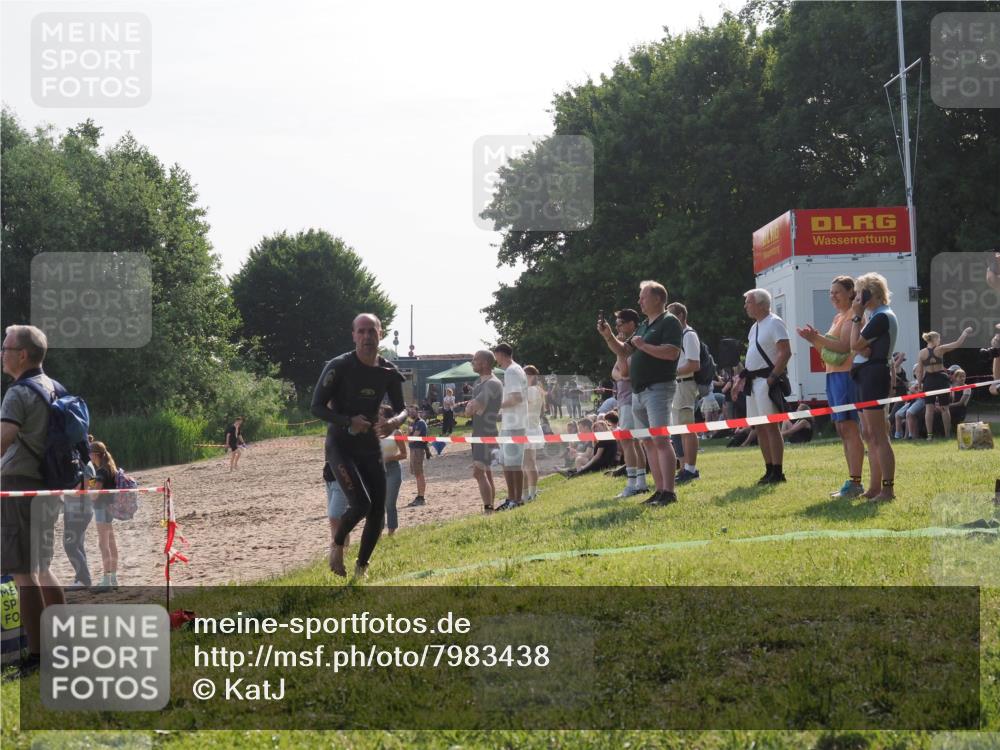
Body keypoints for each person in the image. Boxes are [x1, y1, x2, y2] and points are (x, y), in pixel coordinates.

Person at [311, 313, 407, 578]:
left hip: (369, 446)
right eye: (361, 332)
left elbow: (403, 409)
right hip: (340, 445)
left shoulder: (387, 370)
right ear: (353, 335)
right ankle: (337, 544)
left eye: (371, 331)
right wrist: (347, 420)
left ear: (380, 334)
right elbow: (316, 407)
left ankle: (361, 568)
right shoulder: (338, 366)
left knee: (378, 509)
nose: (366, 337)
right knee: (360, 504)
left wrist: (394, 423)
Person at [0, 325, 67, 676]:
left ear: (22, 354)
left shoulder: (17, 393)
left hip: (18, 483)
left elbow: (4, 440)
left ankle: (39, 657)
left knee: (22, 573)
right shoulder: (53, 387)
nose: (2, 353)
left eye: (5, 347)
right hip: (48, 485)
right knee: (42, 567)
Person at [599, 280, 683, 506]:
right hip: (639, 392)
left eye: (643, 297)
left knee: (661, 440)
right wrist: (608, 336)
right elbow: (624, 350)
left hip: (658, 388)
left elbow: (672, 353)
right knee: (647, 441)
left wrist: (644, 346)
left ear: (657, 299)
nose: (639, 301)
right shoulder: (645, 325)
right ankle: (659, 490)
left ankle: (669, 492)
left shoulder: (669, 322)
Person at [796, 275, 866, 499]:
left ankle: (856, 482)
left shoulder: (853, 316)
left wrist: (817, 338)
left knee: (849, 428)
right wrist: (813, 340)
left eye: (837, 292)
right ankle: (852, 481)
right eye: (830, 292)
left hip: (846, 376)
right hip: (834, 376)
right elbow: (827, 353)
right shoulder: (838, 317)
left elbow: (844, 347)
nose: (832, 296)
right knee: (841, 429)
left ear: (850, 293)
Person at [732, 288, 792, 485]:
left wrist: (772, 378)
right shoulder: (755, 327)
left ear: (761, 304)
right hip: (753, 382)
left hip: (766, 381)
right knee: (760, 427)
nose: (745, 306)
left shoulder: (774, 322)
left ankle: (778, 471)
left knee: (771, 427)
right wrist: (739, 380)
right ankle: (768, 469)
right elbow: (752, 361)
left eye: (749, 302)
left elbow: (785, 352)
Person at [849, 272, 898, 501]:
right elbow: (859, 348)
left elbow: (854, 343)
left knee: (878, 435)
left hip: (874, 375)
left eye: (860, 293)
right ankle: (874, 487)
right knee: (868, 434)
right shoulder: (875, 316)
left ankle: (887, 489)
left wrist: (856, 317)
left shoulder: (880, 317)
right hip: (864, 374)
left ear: (871, 294)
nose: (856, 298)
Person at [598, 308, 649, 497]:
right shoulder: (627, 344)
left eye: (619, 324)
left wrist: (618, 349)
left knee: (629, 442)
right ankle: (639, 482)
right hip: (626, 398)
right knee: (633, 442)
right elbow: (615, 372)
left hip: (630, 398)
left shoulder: (633, 344)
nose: (617, 328)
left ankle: (634, 483)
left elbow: (624, 372)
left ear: (631, 324)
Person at [666, 302, 703, 484]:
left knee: (688, 428)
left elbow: (694, 364)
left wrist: (672, 372)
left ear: (680, 316)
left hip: (685, 385)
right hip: (678, 385)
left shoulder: (689, 335)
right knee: (680, 429)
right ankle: (684, 467)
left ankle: (691, 468)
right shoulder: (679, 335)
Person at [915, 328, 972, 441]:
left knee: (929, 409)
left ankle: (929, 436)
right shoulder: (940, 349)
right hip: (941, 380)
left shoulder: (921, 353)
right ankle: (947, 435)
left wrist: (920, 384)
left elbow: (919, 371)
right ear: (935, 339)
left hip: (929, 381)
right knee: (944, 408)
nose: (940, 341)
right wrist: (964, 333)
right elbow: (957, 343)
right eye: (939, 339)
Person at [465, 350, 504, 513]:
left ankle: (488, 509)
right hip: (478, 433)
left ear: (485, 363)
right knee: (486, 473)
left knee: (478, 473)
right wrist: (471, 408)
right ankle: (490, 508)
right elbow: (471, 410)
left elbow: (474, 408)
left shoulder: (492, 383)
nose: (472, 362)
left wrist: (471, 408)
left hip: (486, 434)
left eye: (475, 360)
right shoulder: (479, 383)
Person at [492, 343, 528, 511]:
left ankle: (516, 499)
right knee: (508, 463)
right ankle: (512, 498)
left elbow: (516, 398)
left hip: (514, 424)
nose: (495, 359)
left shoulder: (512, 371)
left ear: (501, 354)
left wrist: (495, 405)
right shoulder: (515, 369)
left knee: (513, 464)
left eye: (496, 355)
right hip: (512, 422)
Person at [63, 442, 96, 591]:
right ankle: (81, 577)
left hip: (79, 510)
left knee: (70, 545)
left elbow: (88, 485)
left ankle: (84, 578)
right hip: (78, 509)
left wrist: (76, 487)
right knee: (78, 545)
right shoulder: (86, 463)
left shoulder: (84, 464)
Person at [88, 441, 121, 591]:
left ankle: (106, 579)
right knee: (111, 543)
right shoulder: (109, 468)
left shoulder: (101, 471)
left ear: (95, 454)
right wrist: (91, 481)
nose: (89, 456)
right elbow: (97, 484)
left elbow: (95, 494)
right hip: (109, 509)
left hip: (101, 508)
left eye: (90, 453)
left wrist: (88, 490)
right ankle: (113, 578)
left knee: (103, 544)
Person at [379, 405, 407, 536]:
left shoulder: (397, 433)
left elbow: (404, 454)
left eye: (381, 414)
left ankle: (391, 531)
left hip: (392, 469)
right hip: (377, 471)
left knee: (389, 503)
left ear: (388, 418)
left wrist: (388, 458)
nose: (378, 417)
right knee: (378, 503)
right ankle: (377, 531)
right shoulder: (376, 431)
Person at [523, 365, 546, 501]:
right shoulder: (536, 390)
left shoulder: (531, 390)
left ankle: (529, 494)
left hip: (528, 428)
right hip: (531, 427)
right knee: (529, 463)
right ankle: (528, 494)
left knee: (528, 463)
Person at [404, 407, 429, 507]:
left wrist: (409, 433)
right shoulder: (413, 423)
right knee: (417, 474)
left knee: (419, 474)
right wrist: (408, 431)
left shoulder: (420, 423)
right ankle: (419, 496)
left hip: (418, 450)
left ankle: (421, 497)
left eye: (413, 411)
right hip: (413, 450)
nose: (411, 413)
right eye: (410, 411)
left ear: (418, 412)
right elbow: (407, 438)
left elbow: (411, 439)